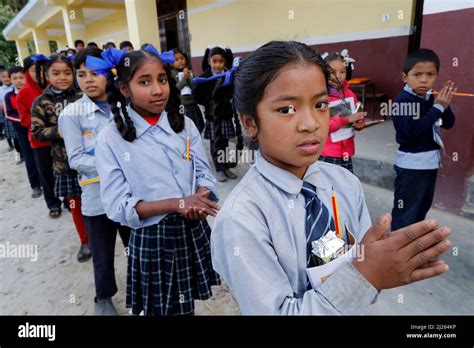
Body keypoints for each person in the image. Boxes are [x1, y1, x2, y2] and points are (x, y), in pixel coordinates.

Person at [211, 40, 452, 315]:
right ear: (250, 122)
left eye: (321, 104)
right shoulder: (242, 218)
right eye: (287, 109)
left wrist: (374, 270)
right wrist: (366, 276)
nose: (311, 123)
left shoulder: (344, 183)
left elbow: (363, 288)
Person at [91, 46, 221, 316]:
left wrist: (200, 197)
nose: (157, 90)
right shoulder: (110, 138)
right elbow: (117, 205)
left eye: (162, 80)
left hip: (191, 227)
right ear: (124, 89)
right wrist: (176, 203)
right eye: (144, 82)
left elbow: (203, 174)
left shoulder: (184, 126)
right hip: (153, 236)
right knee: (159, 308)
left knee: (185, 305)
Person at [59, 46, 131, 315]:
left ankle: (139, 288)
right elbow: (76, 159)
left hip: (129, 194)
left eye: (95, 73)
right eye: (81, 74)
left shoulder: (125, 106)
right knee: (102, 252)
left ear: (109, 75)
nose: (88, 79)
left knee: (134, 245)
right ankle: (103, 298)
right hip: (96, 197)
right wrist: (117, 166)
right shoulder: (71, 115)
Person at [30, 54, 90, 261]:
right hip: (65, 164)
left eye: (67, 72)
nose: (62, 77)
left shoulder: (82, 95)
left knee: (95, 200)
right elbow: (37, 131)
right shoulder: (41, 101)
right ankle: (85, 241)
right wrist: (63, 130)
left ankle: (101, 236)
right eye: (56, 73)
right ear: (47, 75)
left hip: (90, 160)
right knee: (75, 204)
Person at [391, 49, 456, 230]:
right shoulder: (403, 101)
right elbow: (410, 133)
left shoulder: (430, 97)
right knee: (405, 214)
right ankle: (397, 250)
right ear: (405, 77)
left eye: (430, 74)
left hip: (430, 164)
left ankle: (413, 248)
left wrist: (444, 105)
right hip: (412, 166)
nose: (424, 80)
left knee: (420, 210)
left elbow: (448, 123)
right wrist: (436, 108)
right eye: (417, 74)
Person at [17, 55, 62, 215]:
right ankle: (53, 204)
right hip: (39, 141)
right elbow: (23, 119)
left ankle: (70, 201)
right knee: (46, 173)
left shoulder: (56, 89)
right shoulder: (23, 94)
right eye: (34, 71)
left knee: (65, 170)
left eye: (43, 70)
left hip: (60, 139)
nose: (39, 74)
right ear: (27, 73)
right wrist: (42, 120)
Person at [193, 46, 240, 182]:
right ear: (209, 62)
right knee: (215, 143)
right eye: (215, 61)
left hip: (225, 115)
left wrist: (227, 99)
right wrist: (210, 103)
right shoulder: (204, 77)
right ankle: (219, 169)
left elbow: (232, 91)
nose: (218, 64)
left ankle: (226, 167)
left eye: (221, 61)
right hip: (213, 117)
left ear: (225, 62)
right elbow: (196, 94)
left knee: (224, 143)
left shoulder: (229, 75)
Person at [318, 52, 366, 173]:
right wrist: (346, 119)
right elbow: (323, 126)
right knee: (330, 190)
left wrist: (359, 122)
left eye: (343, 72)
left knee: (346, 189)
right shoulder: (321, 97)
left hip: (346, 153)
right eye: (332, 72)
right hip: (327, 154)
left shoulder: (350, 94)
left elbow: (357, 115)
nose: (338, 76)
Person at [4, 66, 42, 196]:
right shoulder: (9, 96)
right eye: (15, 78)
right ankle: (35, 185)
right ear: (10, 80)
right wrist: (24, 119)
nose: (19, 81)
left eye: (21, 77)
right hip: (21, 131)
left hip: (37, 129)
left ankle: (45, 181)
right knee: (29, 157)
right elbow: (8, 113)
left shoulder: (35, 91)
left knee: (41, 157)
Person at [170, 48, 205, 133]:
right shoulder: (171, 74)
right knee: (184, 129)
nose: (180, 61)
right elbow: (175, 90)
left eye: (182, 58)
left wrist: (189, 77)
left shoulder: (189, 72)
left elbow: (195, 87)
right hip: (181, 106)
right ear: (171, 63)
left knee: (197, 128)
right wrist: (184, 80)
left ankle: (195, 143)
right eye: (176, 59)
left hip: (192, 104)